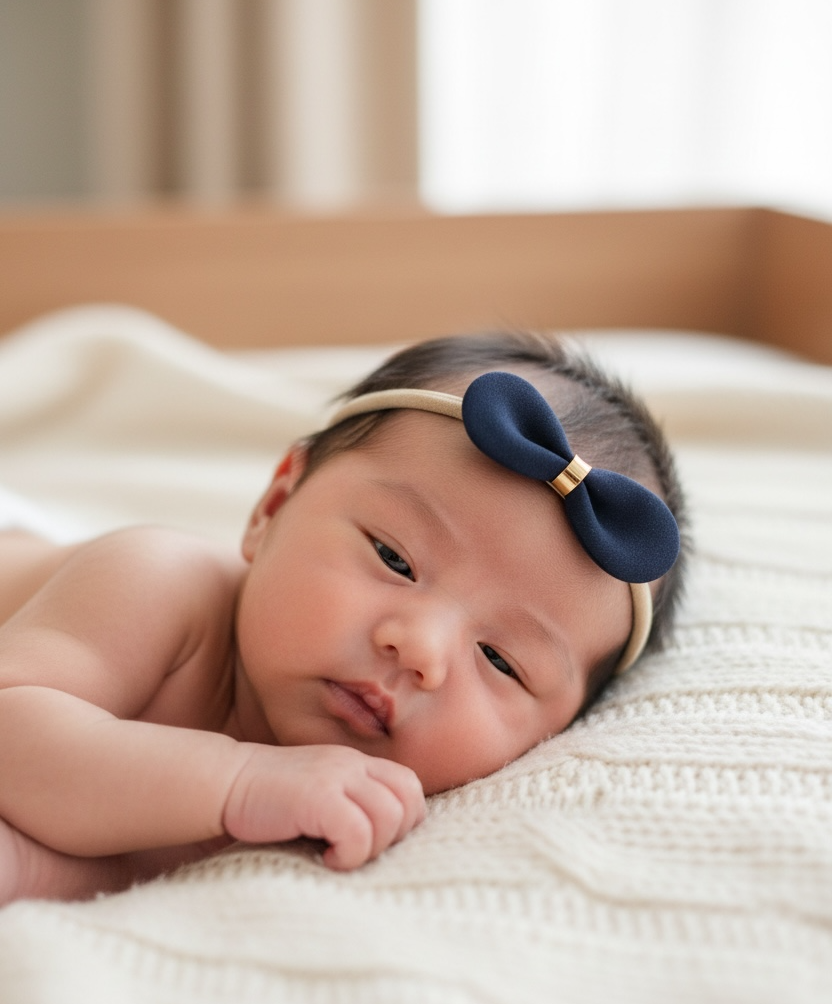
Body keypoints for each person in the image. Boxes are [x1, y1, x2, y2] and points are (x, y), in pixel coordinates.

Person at [0, 331, 689, 905]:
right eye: (394, 558)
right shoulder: (156, 580)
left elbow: (104, 850)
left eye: (500, 660)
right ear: (274, 506)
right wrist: (237, 782)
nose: (420, 649)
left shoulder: (339, 809)